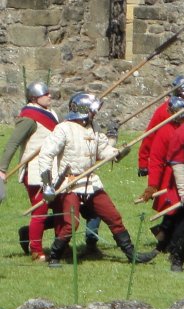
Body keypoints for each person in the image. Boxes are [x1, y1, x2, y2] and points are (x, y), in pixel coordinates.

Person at [38, 92, 157, 267]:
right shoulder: (64, 128)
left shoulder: (93, 128)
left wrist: (119, 152)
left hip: (90, 183)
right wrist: (47, 184)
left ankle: (132, 254)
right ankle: (55, 256)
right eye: (93, 110)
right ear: (84, 110)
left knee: (113, 216)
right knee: (71, 224)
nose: (95, 114)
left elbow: (104, 151)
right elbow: (45, 155)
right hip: (70, 183)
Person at [141, 96, 184, 272]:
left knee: (181, 212)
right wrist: (152, 185)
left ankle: (178, 242)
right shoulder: (165, 131)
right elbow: (157, 159)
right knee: (176, 212)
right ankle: (167, 245)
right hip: (172, 177)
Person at [0, 81, 59, 262]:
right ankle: (36, 250)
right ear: (35, 98)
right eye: (46, 94)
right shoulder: (29, 117)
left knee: (60, 210)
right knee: (39, 210)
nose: (50, 96)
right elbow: (13, 143)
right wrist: (2, 168)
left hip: (54, 169)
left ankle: (59, 249)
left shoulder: (52, 113)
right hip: (35, 170)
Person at [137, 75, 184, 177]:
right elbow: (150, 135)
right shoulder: (163, 111)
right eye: (182, 95)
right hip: (168, 156)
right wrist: (143, 163)